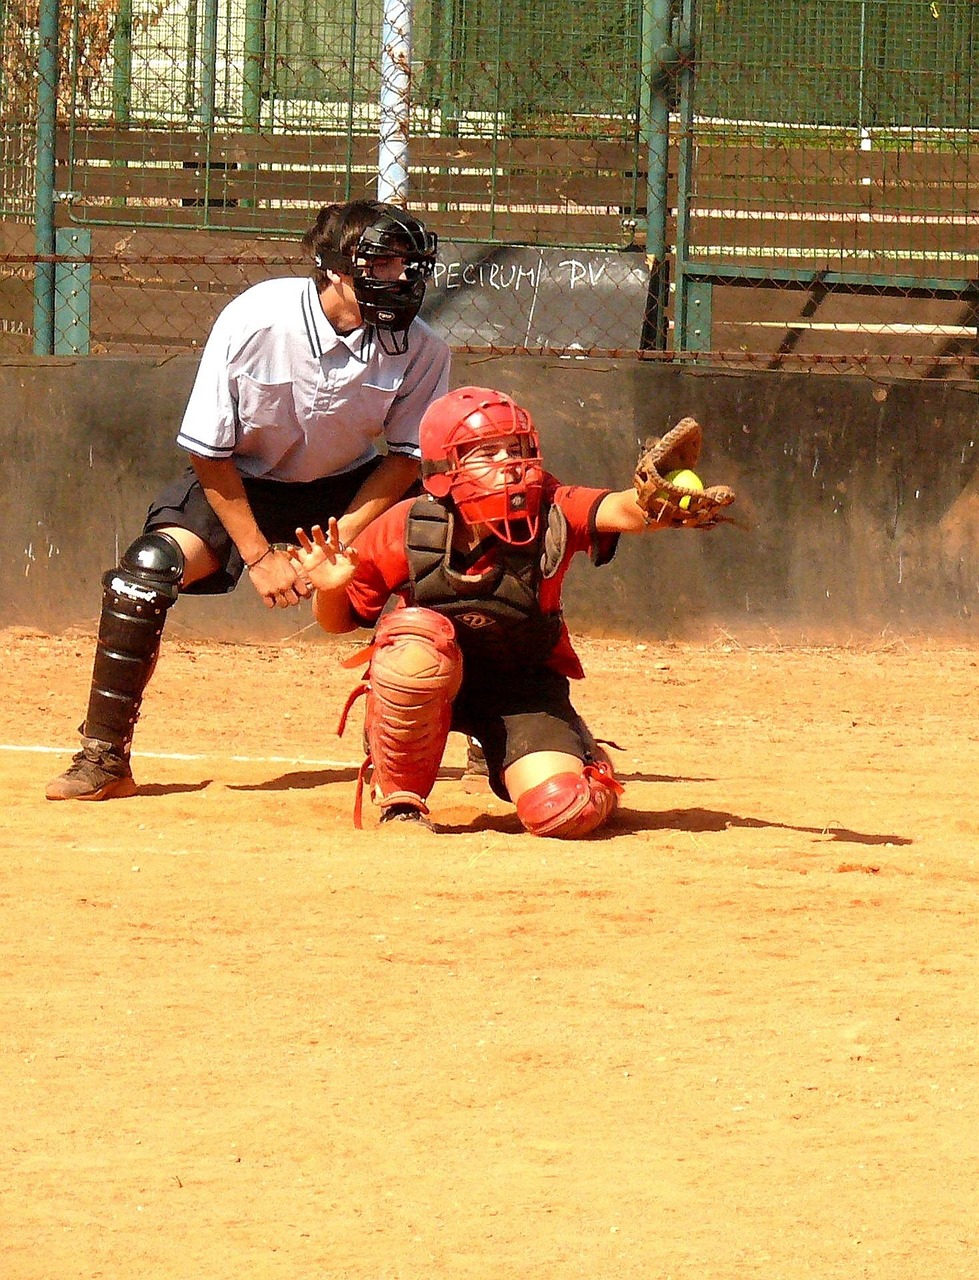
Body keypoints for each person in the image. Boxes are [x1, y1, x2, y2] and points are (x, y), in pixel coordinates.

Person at [46, 200, 451, 801]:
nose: (404, 279)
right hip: (242, 482)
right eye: (386, 263)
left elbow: (405, 458)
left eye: (411, 264)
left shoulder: (421, 348)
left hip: (349, 485)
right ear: (336, 267)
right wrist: (261, 557)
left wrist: (339, 540)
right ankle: (104, 758)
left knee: (433, 557)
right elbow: (209, 452)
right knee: (146, 571)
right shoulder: (256, 320)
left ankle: (411, 758)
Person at [289, 385, 706, 838]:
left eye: (518, 449)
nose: (512, 466)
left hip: (521, 686)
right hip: (433, 680)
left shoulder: (551, 507)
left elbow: (615, 508)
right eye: (488, 453)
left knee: (563, 812)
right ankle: (401, 803)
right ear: (445, 471)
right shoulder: (408, 526)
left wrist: (653, 505)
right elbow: (337, 622)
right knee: (413, 647)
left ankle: (587, 763)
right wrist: (329, 589)